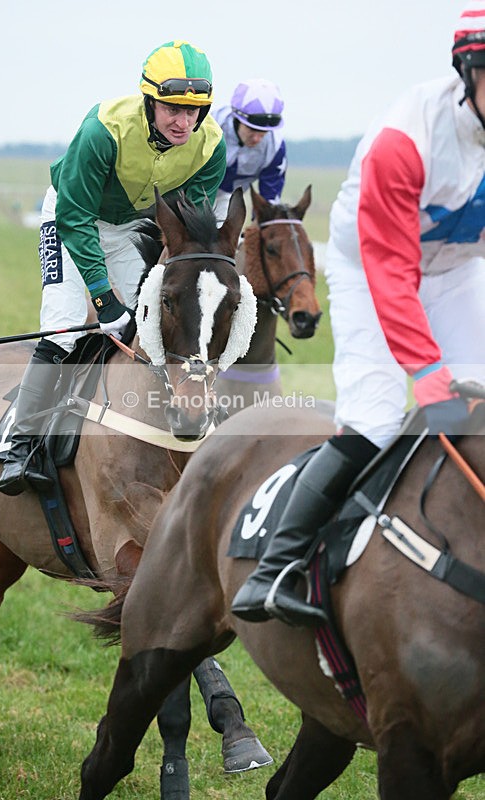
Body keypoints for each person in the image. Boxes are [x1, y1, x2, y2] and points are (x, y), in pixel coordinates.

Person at [232, 1, 485, 626]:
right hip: (371, 267)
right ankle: (276, 569)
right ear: (468, 72)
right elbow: (392, 272)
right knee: (376, 416)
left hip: (456, 269)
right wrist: (426, 372)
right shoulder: (406, 141)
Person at [0, 40, 226, 497]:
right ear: (149, 100)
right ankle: (19, 441)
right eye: (172, 109)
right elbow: (75, 218)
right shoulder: (102, 130)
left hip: (129, 228)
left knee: (146, 326)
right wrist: (103, 300)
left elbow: (186, 231)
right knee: (65, 326)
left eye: (193, 111)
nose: (183, 122)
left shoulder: (211, 147)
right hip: (71, 218)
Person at [212, 79, 287, 223]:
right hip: (191, 190)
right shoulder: (211, 126)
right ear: (237, 118)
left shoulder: (275, 146)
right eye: (251, 129)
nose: (257, 138)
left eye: (264, 132)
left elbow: (268, 202)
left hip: (228, 198)